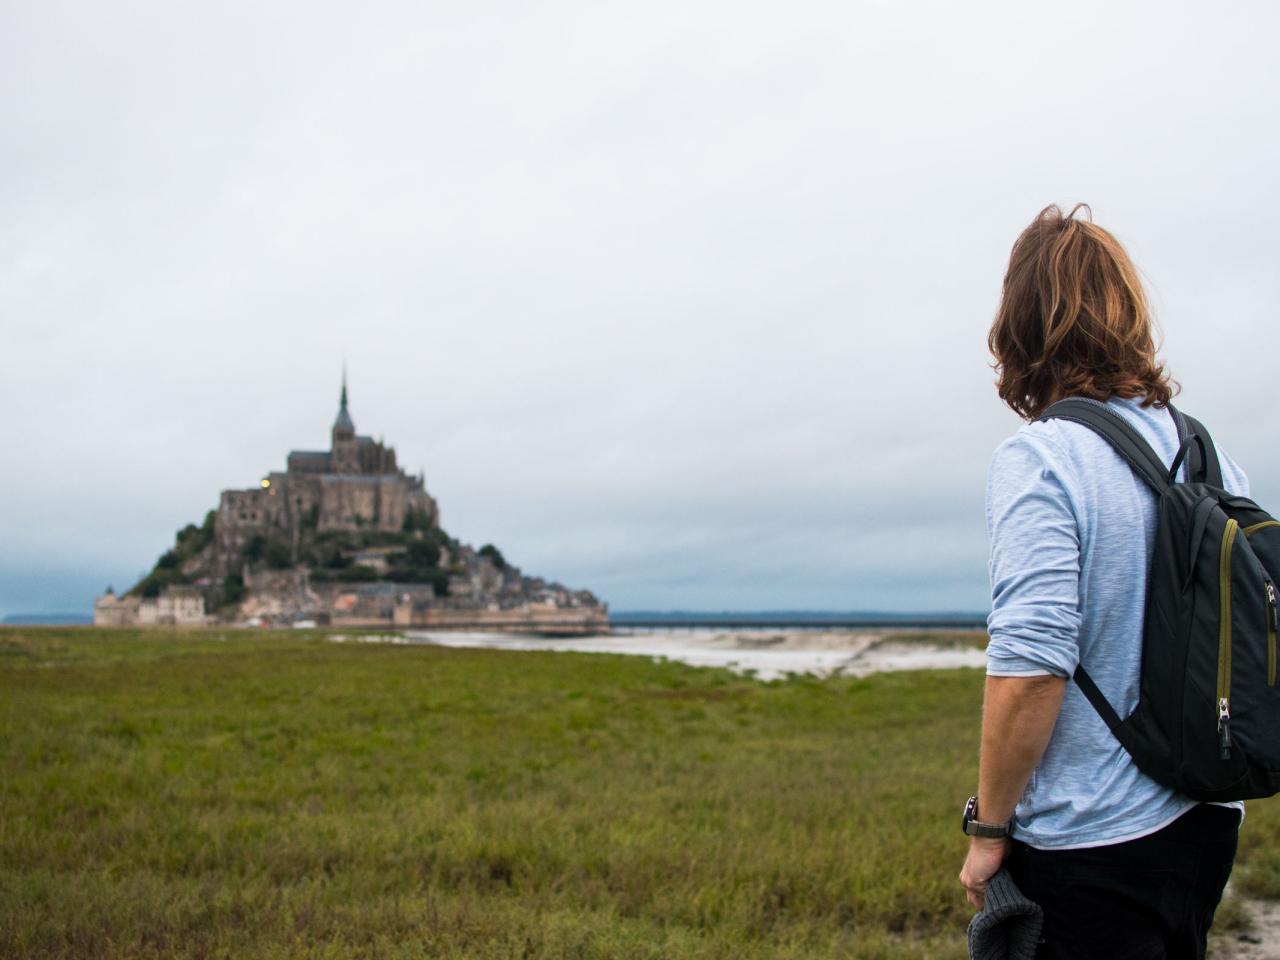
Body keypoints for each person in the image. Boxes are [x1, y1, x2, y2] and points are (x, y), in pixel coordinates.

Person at [958, 204, 1247, 959]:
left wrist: (989, 831)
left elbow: (1030, 667)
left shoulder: (1045, 459)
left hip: (1089, 840)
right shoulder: (1208, 455)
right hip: (1207, 816)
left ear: (1020, 326)